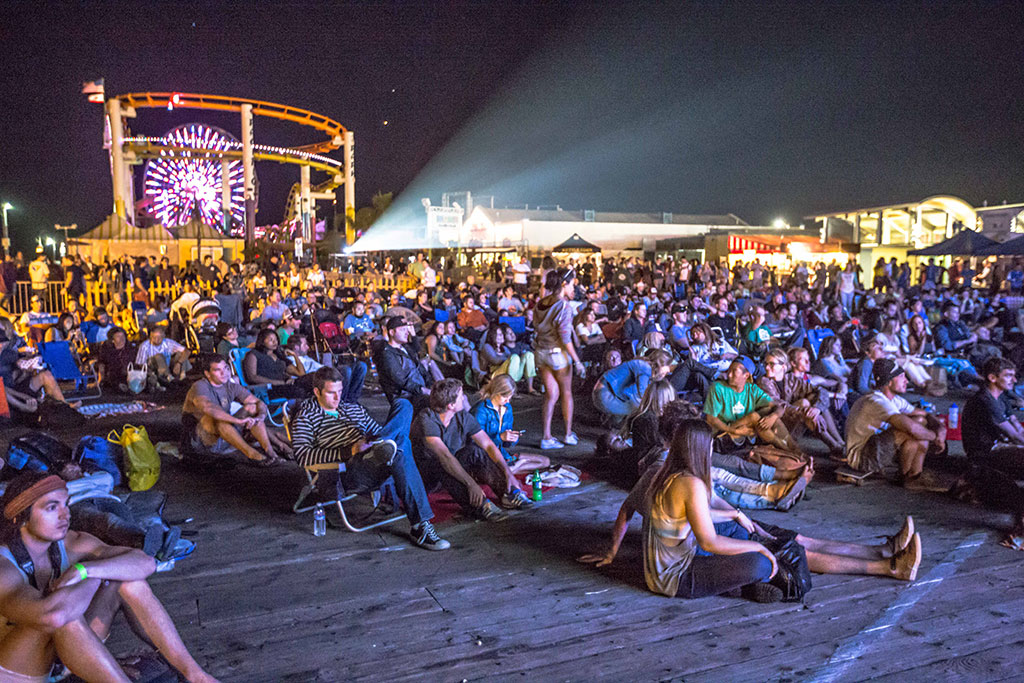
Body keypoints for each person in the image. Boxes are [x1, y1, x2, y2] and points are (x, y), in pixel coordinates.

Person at [579, 419, 924, 598]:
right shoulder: (689, 483)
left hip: (686, 552)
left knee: (786, 537)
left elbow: (631, 509)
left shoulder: (664, 473)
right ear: (700, 449)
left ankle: (883, 549)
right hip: (678, 575)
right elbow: (710, 541)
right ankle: (889, 567)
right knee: (773, 554)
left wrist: (735, 515)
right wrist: (756, 543)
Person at [0, 472, 217, 682]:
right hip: (17, 672)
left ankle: (196, 675)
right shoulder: (3, 566)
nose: (65, 515)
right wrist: (93, 576)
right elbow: (54, 617)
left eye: (66, 504)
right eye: (51, 508)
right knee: (68, 615)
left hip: (63, 659)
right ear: (22, 518)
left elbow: (145, 563)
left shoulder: (70, 542)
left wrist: (87, 569)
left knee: (128, 580)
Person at [289, 367, 450, 550]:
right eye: (331, 393)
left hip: (375, 456)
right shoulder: (306, 417)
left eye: (340, 391)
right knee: (401, 446)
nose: (337, 398)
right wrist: (349, 450)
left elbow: (375, 429)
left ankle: (385, 446)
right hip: (351, 469)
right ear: (317, 392)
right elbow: (302, 455)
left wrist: (376, 440)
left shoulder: (352, 408)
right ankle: (420, 526)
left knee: (403, 405)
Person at [412, 379, 533, 519]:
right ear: (451, 405)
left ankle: (507, 494)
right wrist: (471, 484)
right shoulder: (427, 419)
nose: (465, 398)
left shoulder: (462, 416)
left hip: (449, 468)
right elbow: (445, 456)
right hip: (424, 477)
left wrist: (508, 473)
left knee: (474, 451)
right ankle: (479, 506)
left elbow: (487, 444)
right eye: (461, 395)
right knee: (440, 462)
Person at [845, 359, 946, 486]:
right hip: (861, 459)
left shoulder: (894, 400)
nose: (906, 381)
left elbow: (924, 414)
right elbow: (911, 429)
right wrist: (936, 437)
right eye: (902, 377)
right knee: (911, 429)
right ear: (889, 381)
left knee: (921, 422)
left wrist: (941, 429)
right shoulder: (876, 401)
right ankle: (904, 476)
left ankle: (914, 475)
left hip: (876, 449)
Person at [182, 355, 285, 464]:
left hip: (224, 436)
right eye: (218, 370)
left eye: (226, 368)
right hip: (200, 441)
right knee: (217, 419)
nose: (224, 373)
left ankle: (271, 453)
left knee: (252, 408)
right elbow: (207, 407)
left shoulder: (230, 386)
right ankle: (254, 456)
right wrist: (237, 421)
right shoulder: (200, 386)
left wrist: (261, 417)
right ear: (207, 374)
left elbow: (258, 402)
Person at [533, 269, 585, 449]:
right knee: (566, 393)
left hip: (541, 353)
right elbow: (565, 338)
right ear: (564, 284)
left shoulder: (540, 303)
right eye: (572, 285)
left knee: (550, 394)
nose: (573, 289)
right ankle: (568, 434)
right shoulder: (563, 306)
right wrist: (577, 361)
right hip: (558, 355)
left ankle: (546, 438)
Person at [758, 349, 844, 455]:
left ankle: (836, 445)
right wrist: (804, 412)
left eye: (771, 364)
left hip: (791, 421)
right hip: (774, 425)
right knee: (805, 405)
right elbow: (779, 405)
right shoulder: (764, 382)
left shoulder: (790, 379)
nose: (766, 367)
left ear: (783, 366)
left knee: (810, 401)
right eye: (766, 364)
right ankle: (834, 445)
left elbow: (820, 391)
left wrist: (817, 408)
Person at [703, 356, 796, 453]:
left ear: (746, 375)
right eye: (728, 371)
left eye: (734, 372)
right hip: (722, 436)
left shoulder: (752, 389)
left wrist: (773, 416)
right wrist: (732, 430)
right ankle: (785, 448)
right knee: (754, 416)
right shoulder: (718, 388)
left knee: (770, 411)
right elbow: (711, 419)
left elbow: (779, 407)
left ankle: (795, 448)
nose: (729, 375)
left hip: (745, 433)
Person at [472, 374, 550, 474]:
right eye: (505, 396)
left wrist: (512, 438)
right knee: (533, 468)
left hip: (502, 454)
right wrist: (500, 437)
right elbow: (473, 443)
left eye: (510, 397)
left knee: (545, 461)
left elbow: (507, 444)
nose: (507, 400)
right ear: (496, 392)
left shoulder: (507, 408)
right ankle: (511, 469)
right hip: (486, 457)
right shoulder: (481, 410)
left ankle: (512, 469)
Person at [962, 357, 1024, 476]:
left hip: (1001, 445)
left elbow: (1018, 428)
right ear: (992, 378)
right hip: (984, 452)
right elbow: (1014, 435)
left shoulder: (1001, 397)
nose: (1014, 380)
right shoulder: (985, 401)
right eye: (1008, 376)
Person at [375, 317, 438, 411]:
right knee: (443, 403)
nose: (407, 332)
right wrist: (423, 390)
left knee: (458, 397)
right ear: (392, 332)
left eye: (407, 329)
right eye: (403, 330)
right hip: (407, 395)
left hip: (419, 389)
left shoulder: (406, 347)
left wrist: (431, 385)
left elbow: (420, 367)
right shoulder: (387, 354)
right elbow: (401, 381)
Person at [592, 349, 673, 420]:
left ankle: (615, 425)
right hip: (605, 394)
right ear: (660, 363)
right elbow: (642, 393)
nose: (669, 370)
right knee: (641, 410)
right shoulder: (644, 367)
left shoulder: (644, 366)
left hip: (607, 392)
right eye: (668, 365)